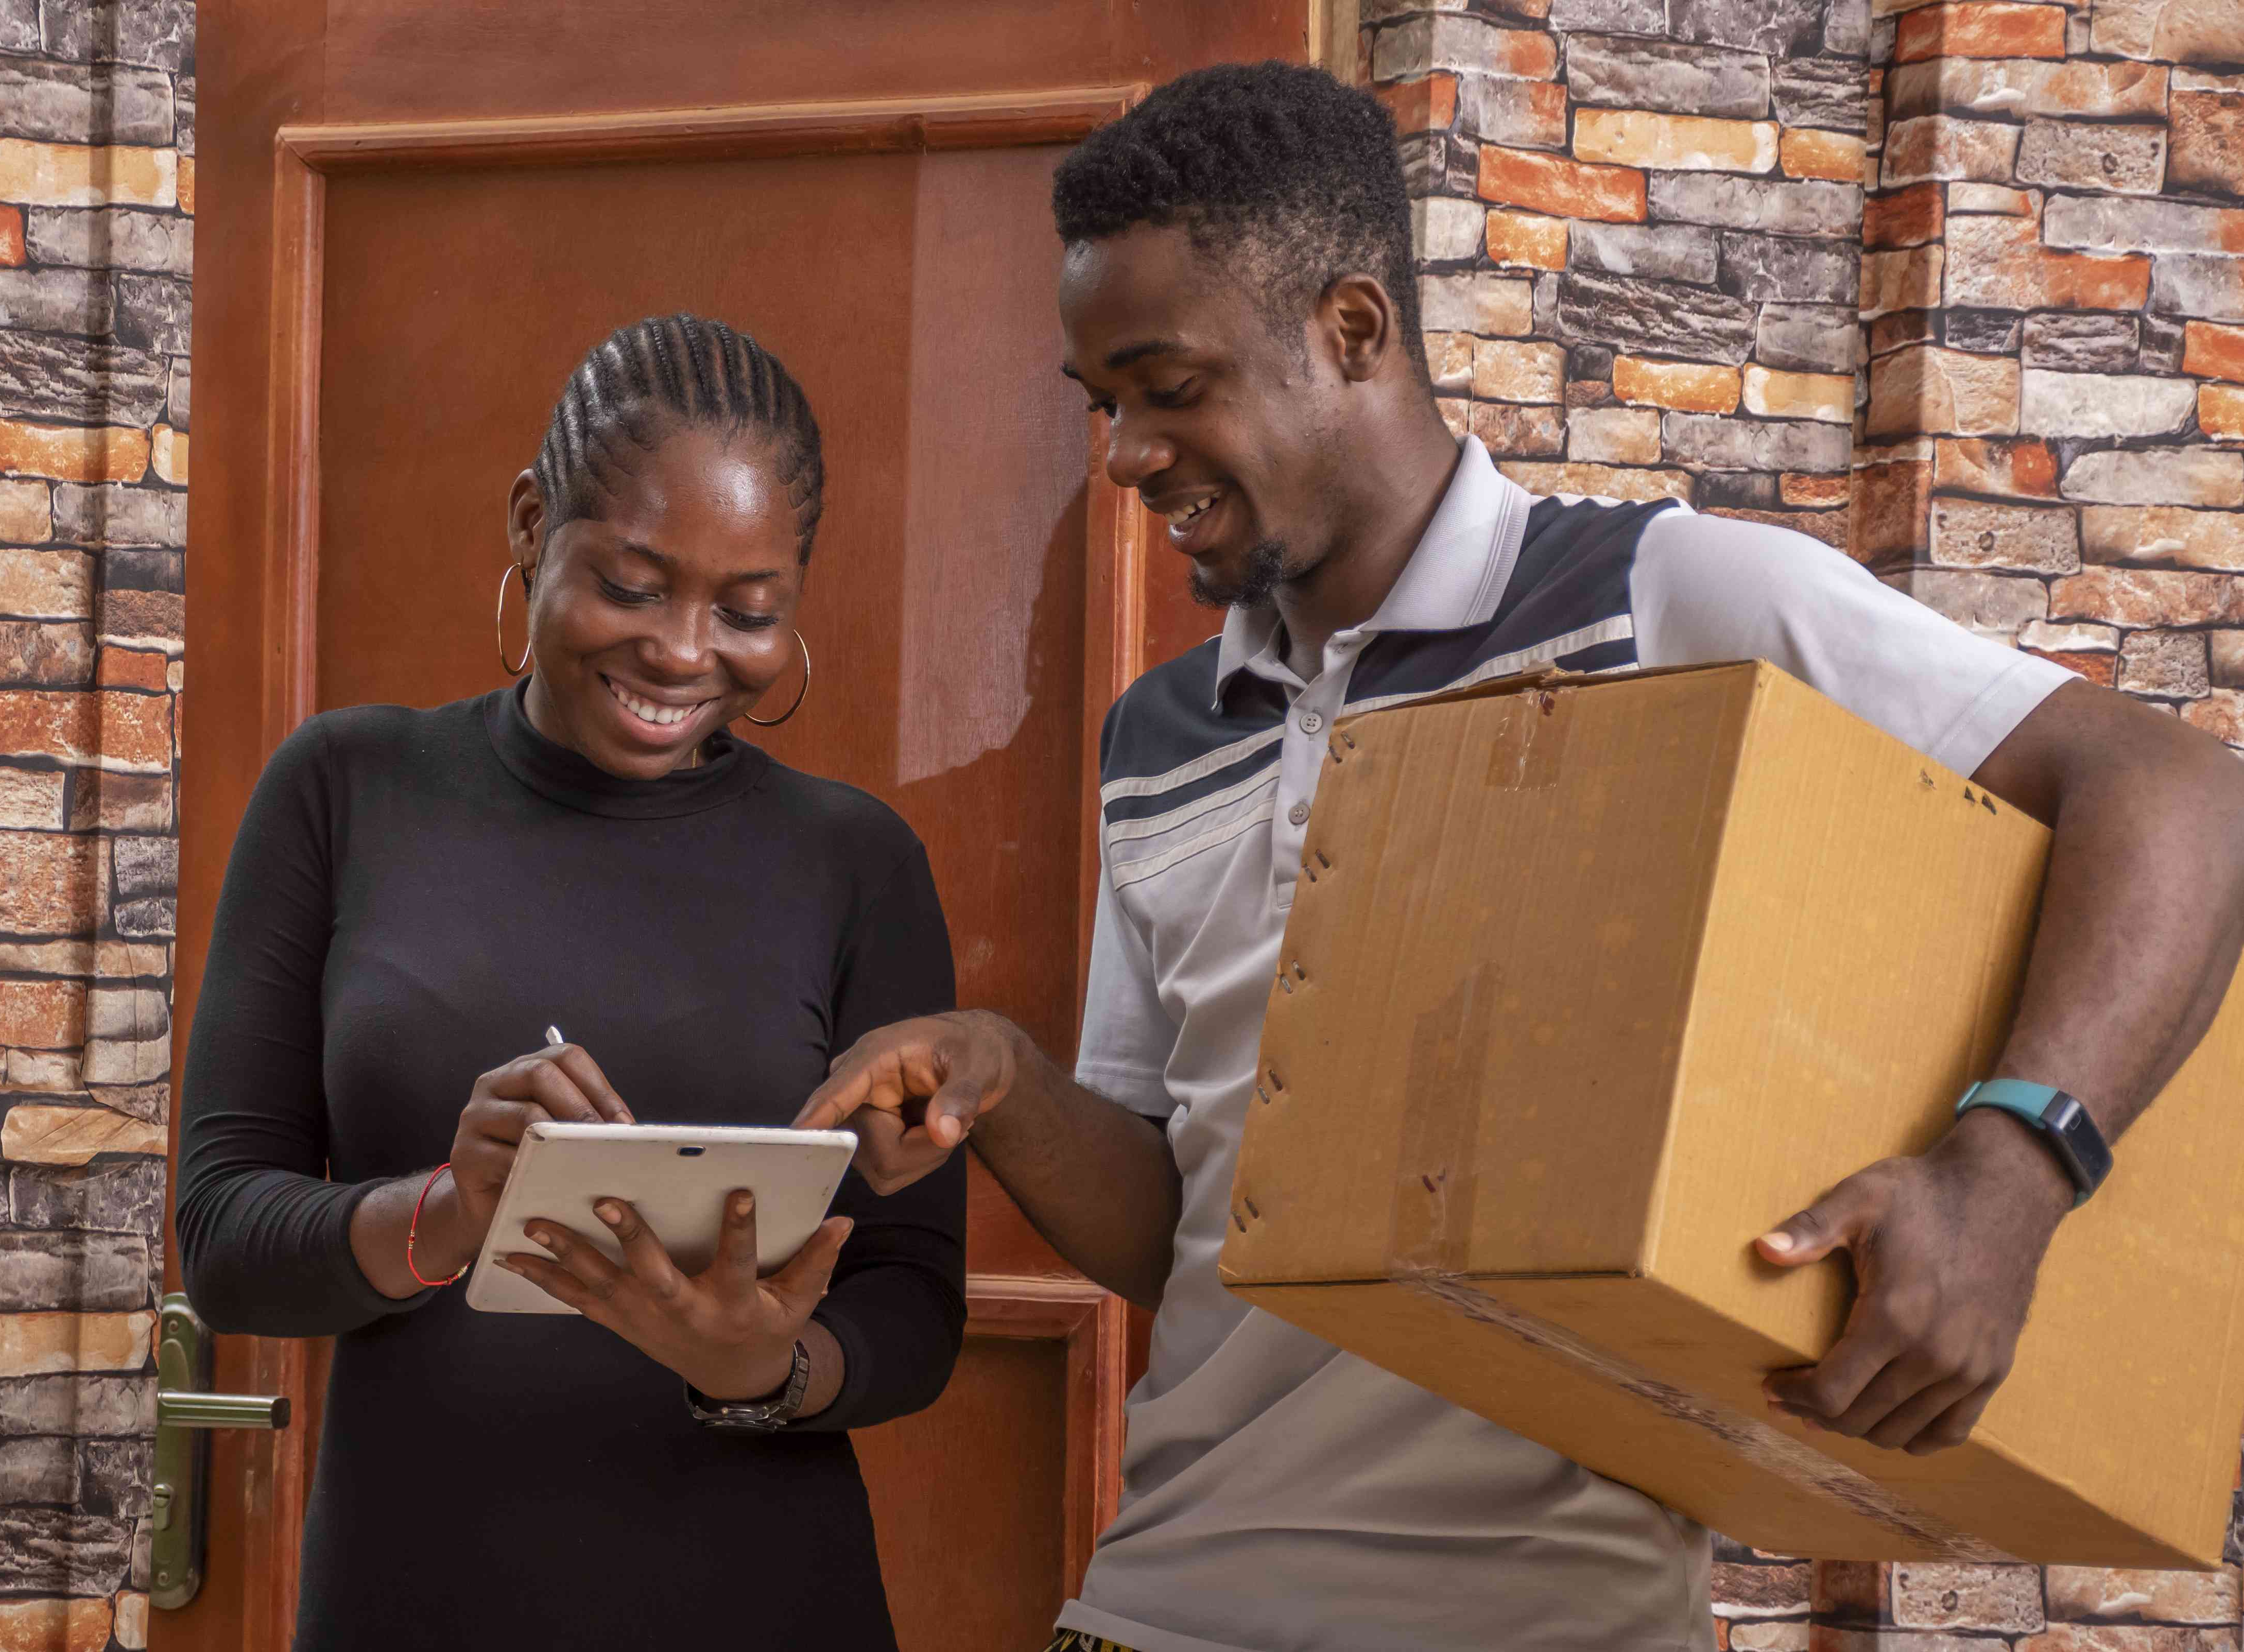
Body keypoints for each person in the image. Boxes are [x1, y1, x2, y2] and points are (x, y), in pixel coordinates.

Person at [797, 63, 2244, 1652]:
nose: (1126, 455)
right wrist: (1001, 1074)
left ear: (1350, 332)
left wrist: (2008, 1174)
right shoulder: (1163, 735)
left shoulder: (1668, 602)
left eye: (1167, 386)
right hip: (1148, 1614)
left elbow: (2174, 794)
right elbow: (1198, 1227)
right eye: (1101, 403)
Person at [177, 314, 966, 1650]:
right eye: (636, 583)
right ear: (535, 524)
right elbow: (227, 1247)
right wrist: (451, 1207)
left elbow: (911, 1295)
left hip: (766, 1607)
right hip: (409, 1606)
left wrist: (763, 1368)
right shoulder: (346, 789)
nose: (681, 649)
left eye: (747, 610)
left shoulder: (855, 862)